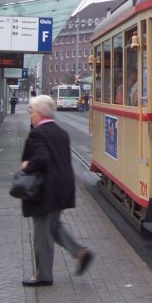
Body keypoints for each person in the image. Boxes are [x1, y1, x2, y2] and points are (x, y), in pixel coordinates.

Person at [21, 95, 94, 287]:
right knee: (53, 227)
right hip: (62, 188)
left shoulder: (38, 133)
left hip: (46, 190)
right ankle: (80, 253)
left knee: (42, 234)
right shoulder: (60, 131)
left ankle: (43, 275)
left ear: (38, 113)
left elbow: (42, 158)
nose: (30, 115)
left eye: (31, 111)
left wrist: (27, 165)